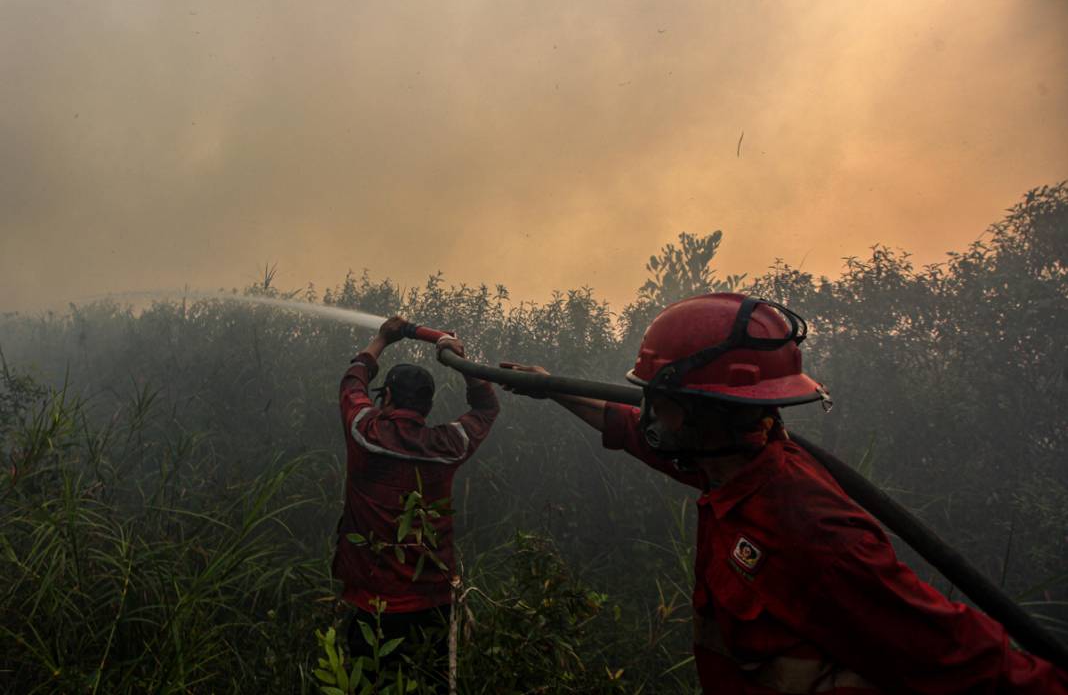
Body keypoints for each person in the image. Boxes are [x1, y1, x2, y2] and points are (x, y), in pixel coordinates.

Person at [502, 293, 1067, 694]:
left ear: (703, 411)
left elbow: (955, 654)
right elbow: (636, 434)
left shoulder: (809, 526)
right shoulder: (730, 468)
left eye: (658, 398)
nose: (649, 411)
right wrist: (549, 388)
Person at [333, 316, 499, 677]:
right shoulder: (447, 446)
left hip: (371, 607)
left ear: (388, 396)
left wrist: (381, 340)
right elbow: (486, 408)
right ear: (427, 406)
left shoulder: (365, 432)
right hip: (432, 605)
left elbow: (352, 382)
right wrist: (464, 362)